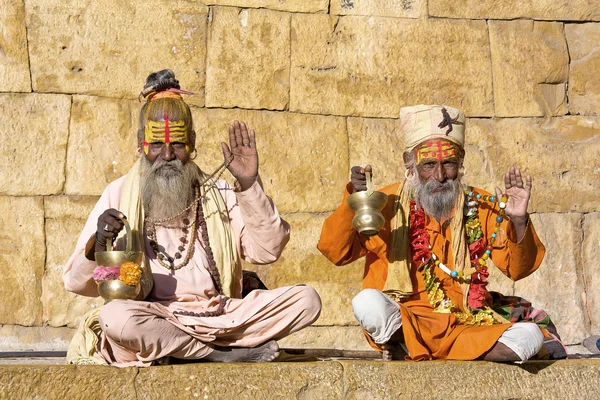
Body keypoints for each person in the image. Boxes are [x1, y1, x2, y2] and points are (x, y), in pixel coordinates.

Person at [63, 69, 321, 367]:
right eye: (157, 144)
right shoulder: (119, 192)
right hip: (155, 317)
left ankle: (179, 350)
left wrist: (249, 185)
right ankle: (215, 354)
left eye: (178, 144)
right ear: (140, 144)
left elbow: (267, 251)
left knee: (307, 300)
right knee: (116, 318)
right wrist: (100, 242)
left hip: (222, 317)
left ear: (193, 144)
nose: (168, 155)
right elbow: (77, 283)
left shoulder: (220, 192)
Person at [318, 104, 566, 362]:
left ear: (461, 161)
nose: (439, 175)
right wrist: (355, 201)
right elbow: (335, 251)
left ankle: (412, 348)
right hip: (406, 319)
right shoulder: (384, 203)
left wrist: (518, 221)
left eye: (448, 163)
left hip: (466, 323)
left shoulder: (480, 204)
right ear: (409, 162)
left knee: (529, 337)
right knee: (367, 303)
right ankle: (443, 348)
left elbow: (518, 269)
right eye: (428, 165)